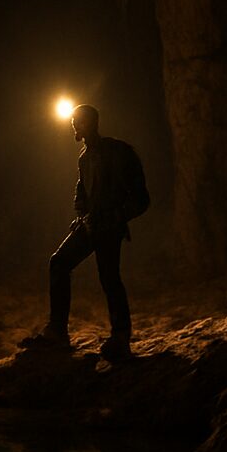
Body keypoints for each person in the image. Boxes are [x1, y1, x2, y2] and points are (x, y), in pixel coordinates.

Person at [25, 104, 149, 360]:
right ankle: (58, 331)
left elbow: (141, 198)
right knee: (59, 262)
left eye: (78, 121)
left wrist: (116, 218)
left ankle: (120, 337)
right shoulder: (85, 157)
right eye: (73, 120)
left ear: (92, 123)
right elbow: (82, 193)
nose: (73, 124)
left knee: (109, 277)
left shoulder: (117, 152)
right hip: (92, 224)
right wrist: (82, 216)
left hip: (108, 227)